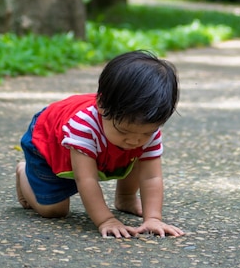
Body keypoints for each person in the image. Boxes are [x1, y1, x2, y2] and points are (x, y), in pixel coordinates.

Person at [15, 50, 185, 238]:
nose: (134, 140)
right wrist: (106, 220)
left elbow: (151, 177)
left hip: (94, 145)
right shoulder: (83, 127)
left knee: (139, 155)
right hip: (47, 142)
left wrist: (153, 218)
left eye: (146, 132)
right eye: (124, 131)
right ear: (102, 105)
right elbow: (86, 179)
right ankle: (24, 173)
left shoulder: (146, 130)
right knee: (54, 210)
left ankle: (125, 198)